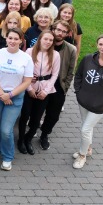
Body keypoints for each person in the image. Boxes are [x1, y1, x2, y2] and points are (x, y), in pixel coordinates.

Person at [71, 34, 103, 169]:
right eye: (100, 44)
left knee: (85, 130)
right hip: (83, 101)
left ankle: (82, 155)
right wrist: (78, 92)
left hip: (99, 106)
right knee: (86, 126)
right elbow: (78, 75)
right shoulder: (88, 59)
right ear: (97, 45)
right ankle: (88, 148)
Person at [0, 28, 33, 170]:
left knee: (6, 130)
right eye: (10, 38)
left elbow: (27, 81)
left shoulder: (26, 58)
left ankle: (7, 156)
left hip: (15, 97)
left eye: (15, 38)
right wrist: (2, 94)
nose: (12, 41)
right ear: (6, 39)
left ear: (21, 40)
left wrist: (10, 95)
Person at [38, 20, 78, 151]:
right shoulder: (45, 44)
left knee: (53, 115)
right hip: (42, 83)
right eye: (58, 30)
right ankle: (32, 130)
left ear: (67, 34)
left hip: (58, 86)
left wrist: (65, 87)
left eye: (64, 31)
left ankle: (44, 134)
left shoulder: (71, 49)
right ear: (53, 29)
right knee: (37, 111)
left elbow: (71, 71)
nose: (60, 33)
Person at [17, 31, 59, 155]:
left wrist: (46, 91)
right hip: (30, 87)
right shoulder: (30, 51)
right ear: (40, 39)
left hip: (44, 89)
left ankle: (28, 138)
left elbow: (55, 74)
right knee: (25, 115)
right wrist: (29, 88)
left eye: (51, 40)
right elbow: (24, 71)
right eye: (45, 39)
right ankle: (20, 140)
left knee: (36, 119)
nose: (48, 42)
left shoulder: (55, 55)